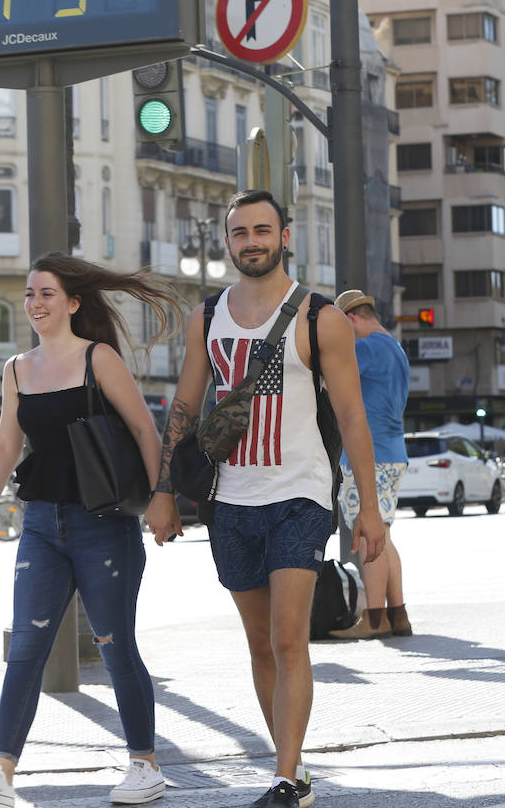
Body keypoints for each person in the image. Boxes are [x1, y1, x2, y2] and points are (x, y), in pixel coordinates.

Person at [148, 190, 388, 808]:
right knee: (260, 646)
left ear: (285, 236)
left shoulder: (320, 317)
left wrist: (369, 506)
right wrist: (164, 491)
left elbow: (353, 418)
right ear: (227, 243)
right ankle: (296, 763)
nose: (250, 241)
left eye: (262, 230)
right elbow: (184, 407)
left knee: (288, 638)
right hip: (229, 500)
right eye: (238, 233)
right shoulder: (208, 317)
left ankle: (284, 779)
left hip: (300, 497)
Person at [0, 252, 182, 808]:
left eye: (47, 293)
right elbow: (7, 444)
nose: (36, 304)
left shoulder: (97, 359)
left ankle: (144, 766)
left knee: (114, 643)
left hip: (103, 524)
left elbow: (144, 431)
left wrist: (160, 499)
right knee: (27, 645)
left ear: (74, 303)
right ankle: (1, 773)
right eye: (30, 294)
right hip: (40, 524)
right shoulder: (16, 369)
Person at [327, 288, 413, 640]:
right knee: (383, 536)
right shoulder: (394, 348)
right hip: (393, 453)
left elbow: (327, 377)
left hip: (368, 456)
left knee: (367, 537)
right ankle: (398, 614)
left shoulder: (363, 349)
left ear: (350, 320)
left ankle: (373, 619)